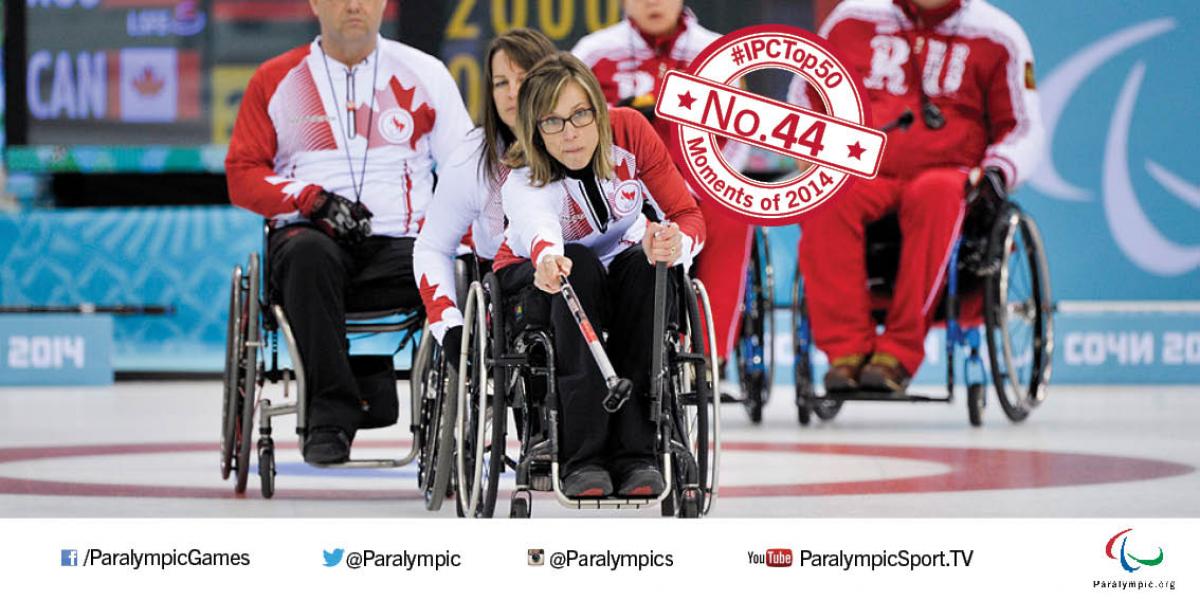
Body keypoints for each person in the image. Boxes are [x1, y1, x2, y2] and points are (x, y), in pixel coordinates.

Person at [225, 0, 473, 464]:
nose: (355, 5)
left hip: (404, 245)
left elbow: (465, 170)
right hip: (312, 242)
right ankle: (330, 416)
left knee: (451, 262)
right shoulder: (276, 78)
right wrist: (312, 200)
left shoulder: (426, 73)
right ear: (316, 4)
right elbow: (242, 174)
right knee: (307, 255)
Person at [787, 0, 1043, 392]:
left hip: (948, 176)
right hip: (865, 168)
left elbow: (1022, 129)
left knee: (937, 194)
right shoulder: (852, 20)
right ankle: (847, 353)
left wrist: (999, 171)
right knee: (829, 194)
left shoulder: (998, 35)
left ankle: (898, 353)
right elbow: (807, 95)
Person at [493, 53, 705, 498]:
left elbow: (686, 214)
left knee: (652, 263)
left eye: (580, 115)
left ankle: (637, 454)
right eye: (552, 123)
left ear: (598, 109)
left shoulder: (630, 131)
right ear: (534, 128)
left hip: (615, 268)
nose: (570, 134)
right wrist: (549, 258)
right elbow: (540, 229)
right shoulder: (524, 175)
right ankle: (583, 456)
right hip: (537, 277)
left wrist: (674, 244)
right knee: (578, 264)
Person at [572, 0, 753, 373]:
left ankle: (708, 354)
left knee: (735, 210)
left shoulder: (717, 53)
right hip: (615, 190)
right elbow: (568, 134)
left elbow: (739, 136)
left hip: (698, 189)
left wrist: (695, 185)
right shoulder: (592, 53)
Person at [413, 29, 557, 363]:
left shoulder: (579, 142)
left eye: (524, 78)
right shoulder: (472, 157)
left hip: (577, 272)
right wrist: (448, 324)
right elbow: (432, 246)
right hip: (508, 287)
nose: (512, 93)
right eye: (501, 83)